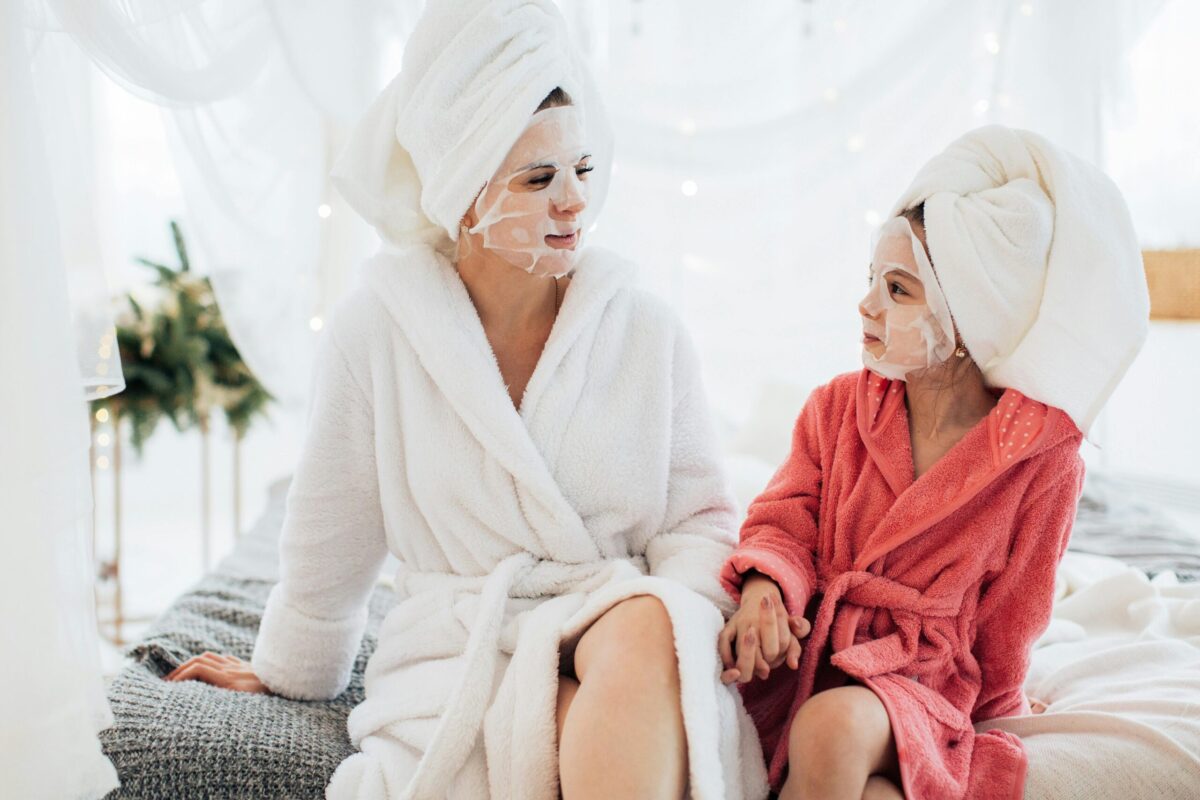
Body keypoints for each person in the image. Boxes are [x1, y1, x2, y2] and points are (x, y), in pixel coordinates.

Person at [164, 1, 768, 798]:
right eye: (539, 178)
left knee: (652, 623)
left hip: (619, 621)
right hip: (463, 645)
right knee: (554, 728)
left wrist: (693, 621)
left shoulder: (645, 328)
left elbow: (697, 522)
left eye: (583, 171)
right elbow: (330, 536)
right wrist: (288, 669)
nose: (574, 203)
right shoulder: (377, 332)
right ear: (465, 191)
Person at [716, 124, 1149, 800]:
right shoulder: (837, 408)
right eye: (871, 281)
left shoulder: (1041, 461)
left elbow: (1012, 620)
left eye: (898, 291)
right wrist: (767, 589)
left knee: (830, 729)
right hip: (814, 652)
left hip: (924, 684)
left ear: (965, 323)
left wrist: (996, 710)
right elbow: (784, 521)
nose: (866, 305)